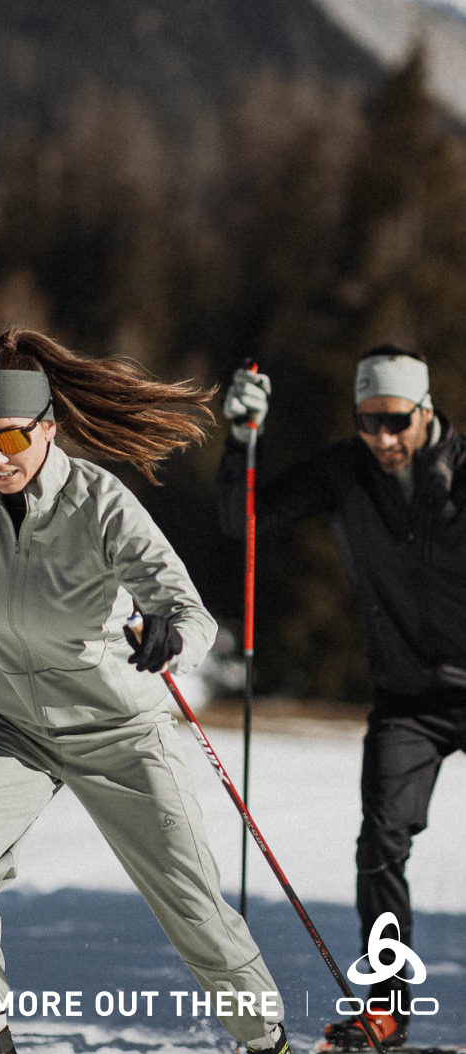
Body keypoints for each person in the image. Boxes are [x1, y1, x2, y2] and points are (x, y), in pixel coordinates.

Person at [0, 330, 294, 1054]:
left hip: (120, 732)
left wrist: (172, 641)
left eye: (8, 438)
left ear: (47, 428)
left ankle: (267, 1039)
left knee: (190, 902)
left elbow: (189, 614)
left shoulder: (101, 503)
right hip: (12, 727)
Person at [217, 345, 466, 1049]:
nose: (381, 438)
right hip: (408, 698)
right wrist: (242, 439)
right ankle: (385, 1009)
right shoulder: (345, 472)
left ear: (425, 411)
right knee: (380, 848)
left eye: (394, 421)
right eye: (367, 422)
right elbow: (245, 520)